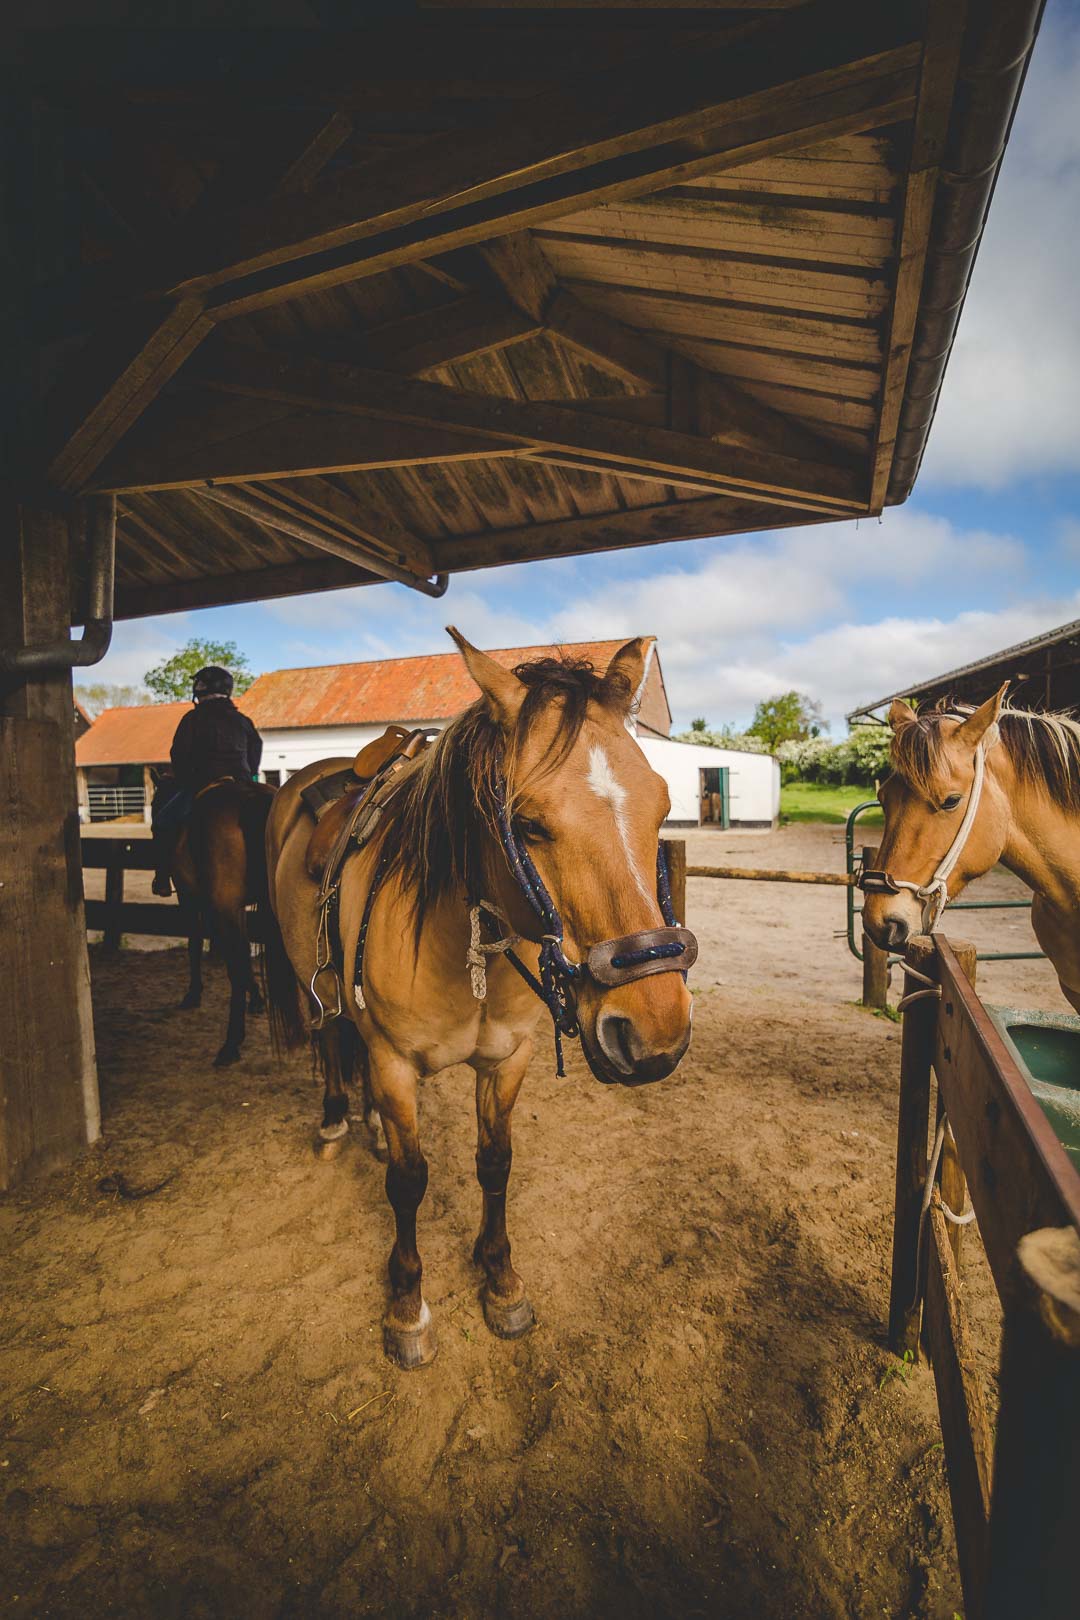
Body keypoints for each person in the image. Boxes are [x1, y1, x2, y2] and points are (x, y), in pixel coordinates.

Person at [151, 665, 263, 896]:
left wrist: (184, 779)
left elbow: (179, 755)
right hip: (241, 781)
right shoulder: (242, 720)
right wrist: (248, 774)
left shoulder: (192, 718)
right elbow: (256, 748)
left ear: (201, 688)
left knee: (162, 822)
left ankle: (162, 878)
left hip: (201, 783)